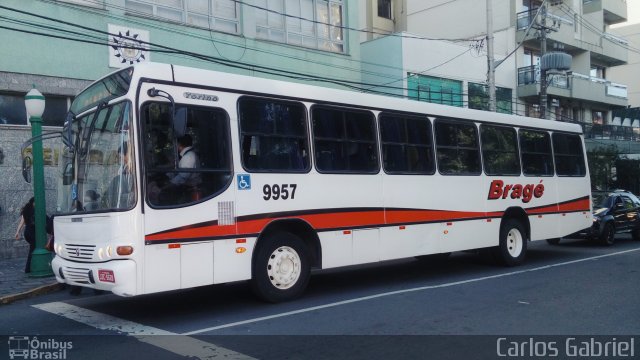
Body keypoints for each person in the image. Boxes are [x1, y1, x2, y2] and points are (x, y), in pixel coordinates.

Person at [15, 198, 36, 273]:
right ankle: (28, 268)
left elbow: (21, 223)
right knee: (32, 250)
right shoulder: (34, 211)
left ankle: (30, 267)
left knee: (33, 249)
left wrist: (17, 232)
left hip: (26, 232)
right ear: (33, 203)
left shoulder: (26, 210)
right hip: (32, 232)